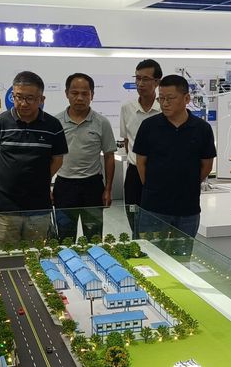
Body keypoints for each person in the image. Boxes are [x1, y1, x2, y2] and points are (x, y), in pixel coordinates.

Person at [0, 71, 68, 244]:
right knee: (6, 255)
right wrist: (2, 180)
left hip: (38, 206)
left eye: (30, 98)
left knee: (35, 253)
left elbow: (57, 160)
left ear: (41, 99)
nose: (23, 103)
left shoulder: (53, 125)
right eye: (18, 97)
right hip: (5, 207)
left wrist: (40, 179)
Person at [133, 74, 216, 238]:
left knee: (183, 253)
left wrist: (187, 184)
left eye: (170, 98)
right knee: (149, 251)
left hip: (187, 207)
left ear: (186, 99)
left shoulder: (202, 129)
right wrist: (154, 187)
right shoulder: (149, 126)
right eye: (161, 98)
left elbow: (207, 165)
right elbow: (141, 163)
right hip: (154, 206)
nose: (165, 103)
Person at [53, 73, 116, 240]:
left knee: (94, 236)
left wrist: (108, 189)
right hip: (64, 186)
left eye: (85, 93)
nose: (79, 98)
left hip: (92, 186)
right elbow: (48, 158)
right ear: (66, 94)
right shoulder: (56, 122)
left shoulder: (102, 122)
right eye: (74, 93)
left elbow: (109, 156)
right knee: (65, 237)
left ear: (92, 95)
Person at [120, 59, 162, 235]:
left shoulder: (164, 109)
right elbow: (127, 141)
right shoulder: (127, 108)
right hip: (134, 173)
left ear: (157, 82)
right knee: (134, 217)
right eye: (137, 78)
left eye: (146, 79)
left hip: (158, 172)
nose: (140, 83)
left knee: (158, 219)